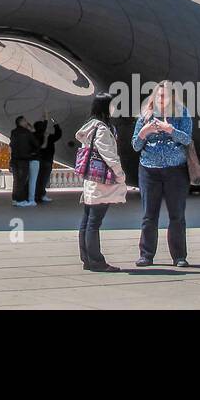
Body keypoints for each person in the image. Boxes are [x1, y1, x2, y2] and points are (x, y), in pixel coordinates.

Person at [131, 80, 193, 267]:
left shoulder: (182, 113)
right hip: (149, 170)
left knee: (177, 215)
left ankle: (179, 256)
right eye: (159, 95)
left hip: (176, 170)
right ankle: (146, 255)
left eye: (165, 96)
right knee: (149, 215)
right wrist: (144, 132)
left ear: (172, 97)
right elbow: (135, 145)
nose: (161, 98)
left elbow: (187, 139)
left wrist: (170, 130)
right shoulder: (145, 115)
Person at [75, 93, 127, 272]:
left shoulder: (89, 126)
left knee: (87, 219)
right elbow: (109, 155)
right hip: (101, 180)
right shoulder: (103, 129)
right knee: (94, 222)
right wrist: (120, 174)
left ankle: (87, 258)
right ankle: (96, 260)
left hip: (91, 179)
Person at [9, 115, 42, 207]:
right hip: (24, 159)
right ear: (21, 122)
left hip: (15, 159)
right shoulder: (27, 133)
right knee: (22, 180)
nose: (26, 122)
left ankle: (15, 199)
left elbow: (12, 146)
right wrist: (33, 132)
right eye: (25, 121)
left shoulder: (13, 132)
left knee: (16, 180)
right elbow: (36, 144)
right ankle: (20, 200)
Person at [32, 116, 62, 204]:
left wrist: (46, 119)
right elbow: (58, 134)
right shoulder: (48, 136)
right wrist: (55, 123)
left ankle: (35, 195)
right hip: (47, 160)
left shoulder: (34, 136)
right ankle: (41, 195)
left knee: (37, 179)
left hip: (37, 160)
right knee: (44, 179)